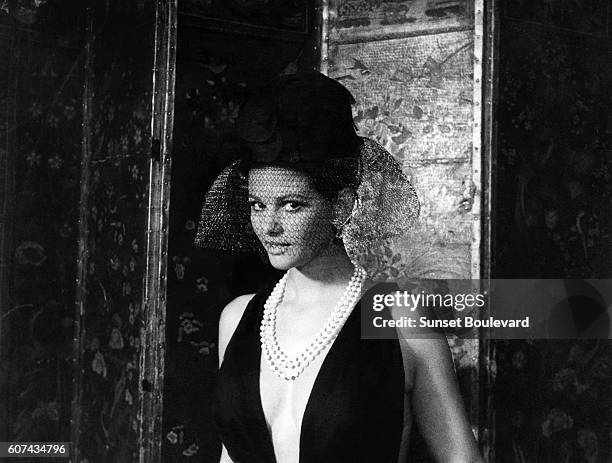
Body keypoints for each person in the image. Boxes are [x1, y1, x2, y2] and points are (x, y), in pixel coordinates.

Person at [195, 71, 483, 463]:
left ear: (341, 206)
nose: (270, 225)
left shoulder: (402, 323)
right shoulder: (237, 318)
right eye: (257, 205)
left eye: (292, 204)